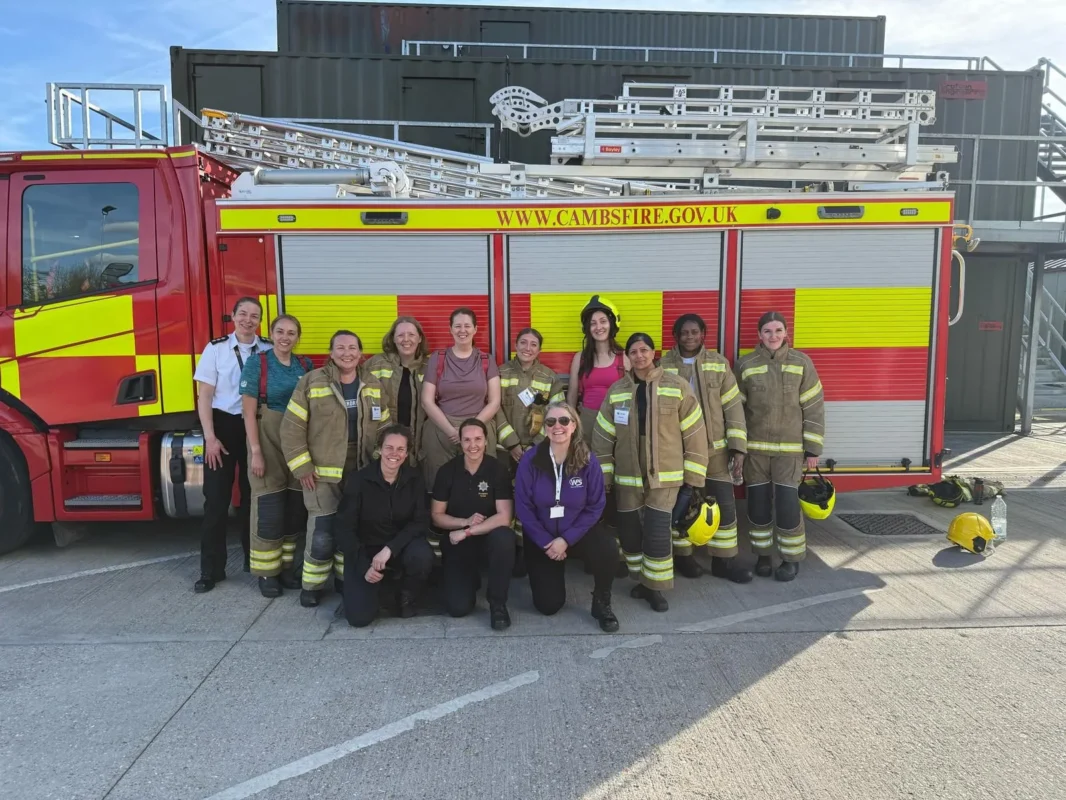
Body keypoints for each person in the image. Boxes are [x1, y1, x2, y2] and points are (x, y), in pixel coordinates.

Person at [592, 333, 708, 612]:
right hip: (628, 478)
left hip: (666, 477)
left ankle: (655, 589)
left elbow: (694, 433)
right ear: (627, 357)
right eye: (633, 352)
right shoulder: (617, 390)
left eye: (644, 350)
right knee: (630, 534)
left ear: (653, 352)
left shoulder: (677, 386)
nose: (639, 356)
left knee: (657, 534)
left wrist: (693, 480)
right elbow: (602, 437)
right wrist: (604, 479)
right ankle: (641, 580)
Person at [281, 330, 389, 607]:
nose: (347, 353)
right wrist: (302, 466)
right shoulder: (312, 381)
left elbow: (385, 427)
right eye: (340, 348)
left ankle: (345, 580)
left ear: (361, 352)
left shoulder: (373, 384)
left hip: (361, 471)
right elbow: (291, 428)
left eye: (352, 347)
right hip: (321, 474)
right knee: (322, 532)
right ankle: (312, 586)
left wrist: (380, 460)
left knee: (352, 528)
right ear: (330, 353)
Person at [660, 313, 751, 583]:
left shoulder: (719, 365)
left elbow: (733, 407)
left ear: (703, 334)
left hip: (716, 450)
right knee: (683, 503)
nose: (689, 337)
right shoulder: (663, 365)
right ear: (676, 336)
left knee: (723, 505)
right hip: (680, 451)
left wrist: (738, 447)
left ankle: (724, 561)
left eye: (694, 332)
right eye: (684, 333)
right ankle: (684, 558)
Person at [734, 311, 825, 582]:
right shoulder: (745, 364)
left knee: (787, 507)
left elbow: (814, 406)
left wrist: (813, 449)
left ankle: (790, 559)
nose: (773, 336)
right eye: (767, 331)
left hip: (790, 452)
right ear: (759, 335)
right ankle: (763, 556)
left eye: (777, 330)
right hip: (755, 451)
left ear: (786, 333)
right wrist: (738, 447)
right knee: (758, 507)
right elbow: (736, 409)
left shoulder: (801, 363)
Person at [514, 401, 619, 632]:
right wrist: (546, 542)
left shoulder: (587, 460)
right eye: (550, 422)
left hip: (577, 532)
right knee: (548, 605)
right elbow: (523, 507)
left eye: (564, 421)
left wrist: (567, 539)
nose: (557, 426)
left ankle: (602, 601)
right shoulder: (530, 461)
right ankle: (548, 570)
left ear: (574, 425)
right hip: (543, 538)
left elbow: (595, 505)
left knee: (608, 548)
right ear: (544, 428)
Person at [193, 297, 272, 593]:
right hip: (222, 428)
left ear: (260, 321)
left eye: (254, 315)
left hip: (256, 428)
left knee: (254, 501)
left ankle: (258, 566)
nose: (248, 320)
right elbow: (204, 396)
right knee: (216, 502)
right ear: (233, 316)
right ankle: (210, 570)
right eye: (243, 314)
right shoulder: (216, 349)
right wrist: (210, 438)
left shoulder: (267, 348)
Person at [239, 314, 314, 597]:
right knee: (269, 507)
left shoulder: (304, 365)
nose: (286, 337)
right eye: (280, 331)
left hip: (296, 441)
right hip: (266, 440)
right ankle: (266, 574)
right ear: (271, 334)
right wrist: (256, 452)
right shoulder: (257, 363)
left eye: (292, 333)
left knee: (295, 508)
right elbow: (248, 412)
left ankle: (285, 568)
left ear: (298, 337)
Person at [334, 425, 435, 627]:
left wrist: (390, 549)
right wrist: (364, 566)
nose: (394, 454)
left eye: (400, 449)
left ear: (407, 454)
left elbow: (420, 522)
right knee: (359, 619)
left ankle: (405, 596)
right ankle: (377, 589)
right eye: (389, 448)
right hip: (365, 552)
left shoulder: (415, 479)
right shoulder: (359, 480)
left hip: (399, 548)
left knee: (422, 554)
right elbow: (344, 529)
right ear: (379, 449)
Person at [421, 307, 502, 556]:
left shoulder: (486, 360)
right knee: (438, 486)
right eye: (457, 325)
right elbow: (427, 400)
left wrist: (470, 431)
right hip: (440, 431)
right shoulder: (438, 358)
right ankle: (439, 550)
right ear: (450, 329)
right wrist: (451, 430)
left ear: (476, 329)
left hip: (478, 428)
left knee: (482, 486)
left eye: (467, 325)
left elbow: (494, 401)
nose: (462, 330)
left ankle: (479, 540)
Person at [431, 419, 516, 630]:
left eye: (478, 439)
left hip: (487, 539)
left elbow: (504, 516)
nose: (473, 445)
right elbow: (437, 516)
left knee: (504, 537)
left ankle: (498, 603)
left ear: (486, 441)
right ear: (459, 442)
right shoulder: (447, 471)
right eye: (467, 440)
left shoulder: (497, 469)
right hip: (456, 541)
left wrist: (468, 531)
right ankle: (469, 580)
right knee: (458, 608)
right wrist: (463, 523)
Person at [494, 327, 565, 577]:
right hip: (504, 450)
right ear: (515, 344)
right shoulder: (500, 372)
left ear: (539, 349)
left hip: (537, 453)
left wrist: (534, 448)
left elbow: (557, 414)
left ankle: (525, 550)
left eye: (533, 344)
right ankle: (507, 550)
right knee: (504, 499)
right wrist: (513, 444)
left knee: (531, 501)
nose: (527, 347)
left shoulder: (550, 377)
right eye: (523, 342)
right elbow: (494, 409)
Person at [362, 316, 430, 465]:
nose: (406, 339)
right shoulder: (375, 364)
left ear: (419, 339)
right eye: (400, 335)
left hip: (419, 446)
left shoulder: (429, 366)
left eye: (411, 334)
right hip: (381, 445)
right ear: (393, 339)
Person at [567, 295, 630, 443]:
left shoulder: (625, 357)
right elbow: (572, 396)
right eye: (593, 323)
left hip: (618, 423)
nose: (598, 327)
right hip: (587, 423)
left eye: (603, 321)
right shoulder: (580, 358)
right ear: (587, 328)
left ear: (612, 324)